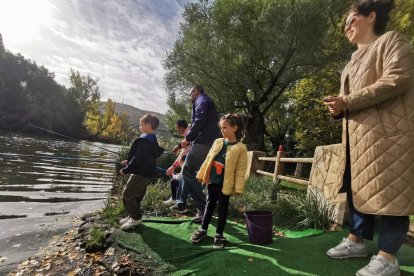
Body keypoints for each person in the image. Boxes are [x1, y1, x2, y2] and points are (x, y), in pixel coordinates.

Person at [323, 1, 414, 275]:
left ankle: (388, 258)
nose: (346, 28)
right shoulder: (351, 62)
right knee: (357, 188)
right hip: (357, 138)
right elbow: (349, 103)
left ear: (371, 16)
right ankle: (356, 241)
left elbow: (398, 78)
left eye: (351, 20)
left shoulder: (391, 40)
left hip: (389, 135)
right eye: (344, 25)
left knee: (391, 193)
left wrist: (346, 101)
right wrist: (338, 108)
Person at [190, 114, 248, 248]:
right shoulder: (218, 142)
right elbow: (208, 159)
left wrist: (239, 187)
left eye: (225, 127)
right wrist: (202, 174)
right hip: (212, 180)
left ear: (235, 128)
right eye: (221, 128)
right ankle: (203, 230)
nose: (222, 130)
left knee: (223, 208)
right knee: (209, 204)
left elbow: (240, 170)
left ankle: (219, 234)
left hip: (226, 184)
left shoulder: (240, 147)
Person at [171, 85, 220, 223]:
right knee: (190, 172)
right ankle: (184, 203)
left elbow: (198, 122)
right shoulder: (203, 101)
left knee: (187, 170)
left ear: (195, 92)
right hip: (207, 141)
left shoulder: (201, 100)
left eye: (189, 94)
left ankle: (204, 209)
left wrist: (185, 141)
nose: (189, 97)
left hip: (204, 141)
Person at [118, 113, 165, 230]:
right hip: (146, 173)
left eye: (141, 124)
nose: (139, 127)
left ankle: (136, 217)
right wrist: (128, 161)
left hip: (139, 173)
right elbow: (143, 156)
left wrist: (126, 169)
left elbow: (138, 158)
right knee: (137, 195)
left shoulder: (144, 140)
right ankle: (132, 215)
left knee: (127, 194)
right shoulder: (152, 140)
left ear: (148, 125)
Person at [164, 119, 190, 205]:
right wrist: (173, 167)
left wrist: (173, 173)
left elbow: (183, 154)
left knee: (175, 181)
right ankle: (177, 200)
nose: (176, 130)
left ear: (182, 128)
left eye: (177, 128)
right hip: (189, 166)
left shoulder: (189, 134)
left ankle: (179, 202)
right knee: (177, 182)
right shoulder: (187, 134)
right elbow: (181, 155)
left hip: (190, 166)